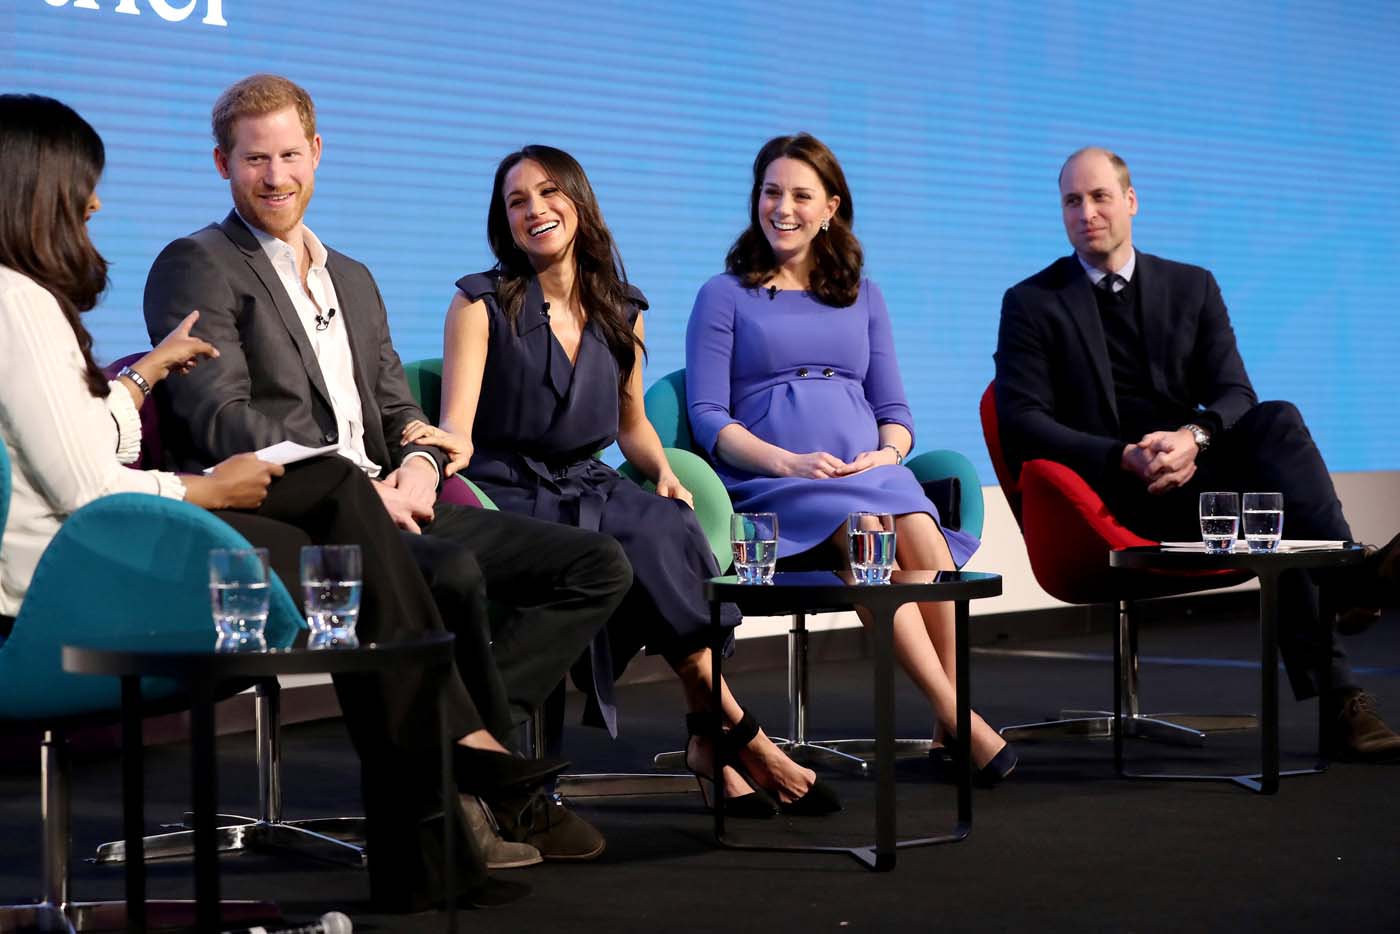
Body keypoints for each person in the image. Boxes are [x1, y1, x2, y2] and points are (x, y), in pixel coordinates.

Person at [0, 92, 553, 912]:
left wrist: (140, 378)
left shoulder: (23, 300)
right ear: (33, 185)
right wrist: (203, 487)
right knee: (351, 522)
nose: (96, 200)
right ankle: (451, 773)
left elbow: (84, 441)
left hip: (94, 549)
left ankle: (443, 821)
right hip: (66, 585)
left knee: (349, 545)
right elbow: (85, 486)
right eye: (85, 180)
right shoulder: (18, 301)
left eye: (291, 155)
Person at [141, 75, 631, 859]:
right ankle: (488, 793)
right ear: (221, 164)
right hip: (288, 514)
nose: (276, 176)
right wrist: (359, 485)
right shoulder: (198, 263)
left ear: (318, 152)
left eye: (290, 155)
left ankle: (466, 766)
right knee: (453, 574)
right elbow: (217, 413)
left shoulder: (354, 277)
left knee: (598, 566)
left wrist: (417, 469)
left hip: (394, 500)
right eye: (255, 159)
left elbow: (400, 407)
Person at [402, 145, 837, 817]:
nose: (535, 210)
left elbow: (632, 425)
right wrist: (435, 451)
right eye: (517, 202)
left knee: (667, 524)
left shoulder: (622, 309)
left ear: (578, 201)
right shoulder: (479, 303)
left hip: (586, 480)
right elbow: (458, 425)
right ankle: (740, 737)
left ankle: (713, 740)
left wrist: (662, 469)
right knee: (640, 548)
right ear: (505, 221)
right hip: (508, 487)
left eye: (548, 194)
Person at [994, 145, 1400, 761]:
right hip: (1114, 497)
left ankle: (1345, 611)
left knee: (1277, 424)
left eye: (1100, 196)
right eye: (1072, 201)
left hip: (1203, 481)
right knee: (1274, 514)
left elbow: (1236, 393)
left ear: (1131, 201)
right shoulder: (1032, 301)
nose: (1086, 212)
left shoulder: (1192, 285)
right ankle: (1349, 600)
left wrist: (1195, 439)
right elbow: (1022, 422)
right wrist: (1120, 455)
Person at [685, 133, 1017, 784]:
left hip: (864, 475)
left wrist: (882, 459)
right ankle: (962, 719)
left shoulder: (864, 295)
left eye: (801, 195)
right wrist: (786, 463)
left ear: (831, 207)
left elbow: (897, 414)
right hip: (774, 485)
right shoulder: (723, 295)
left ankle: (949, 728)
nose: (783, 207)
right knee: (872, 533)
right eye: (771, 192)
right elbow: (707, 418)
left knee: (918, 527)